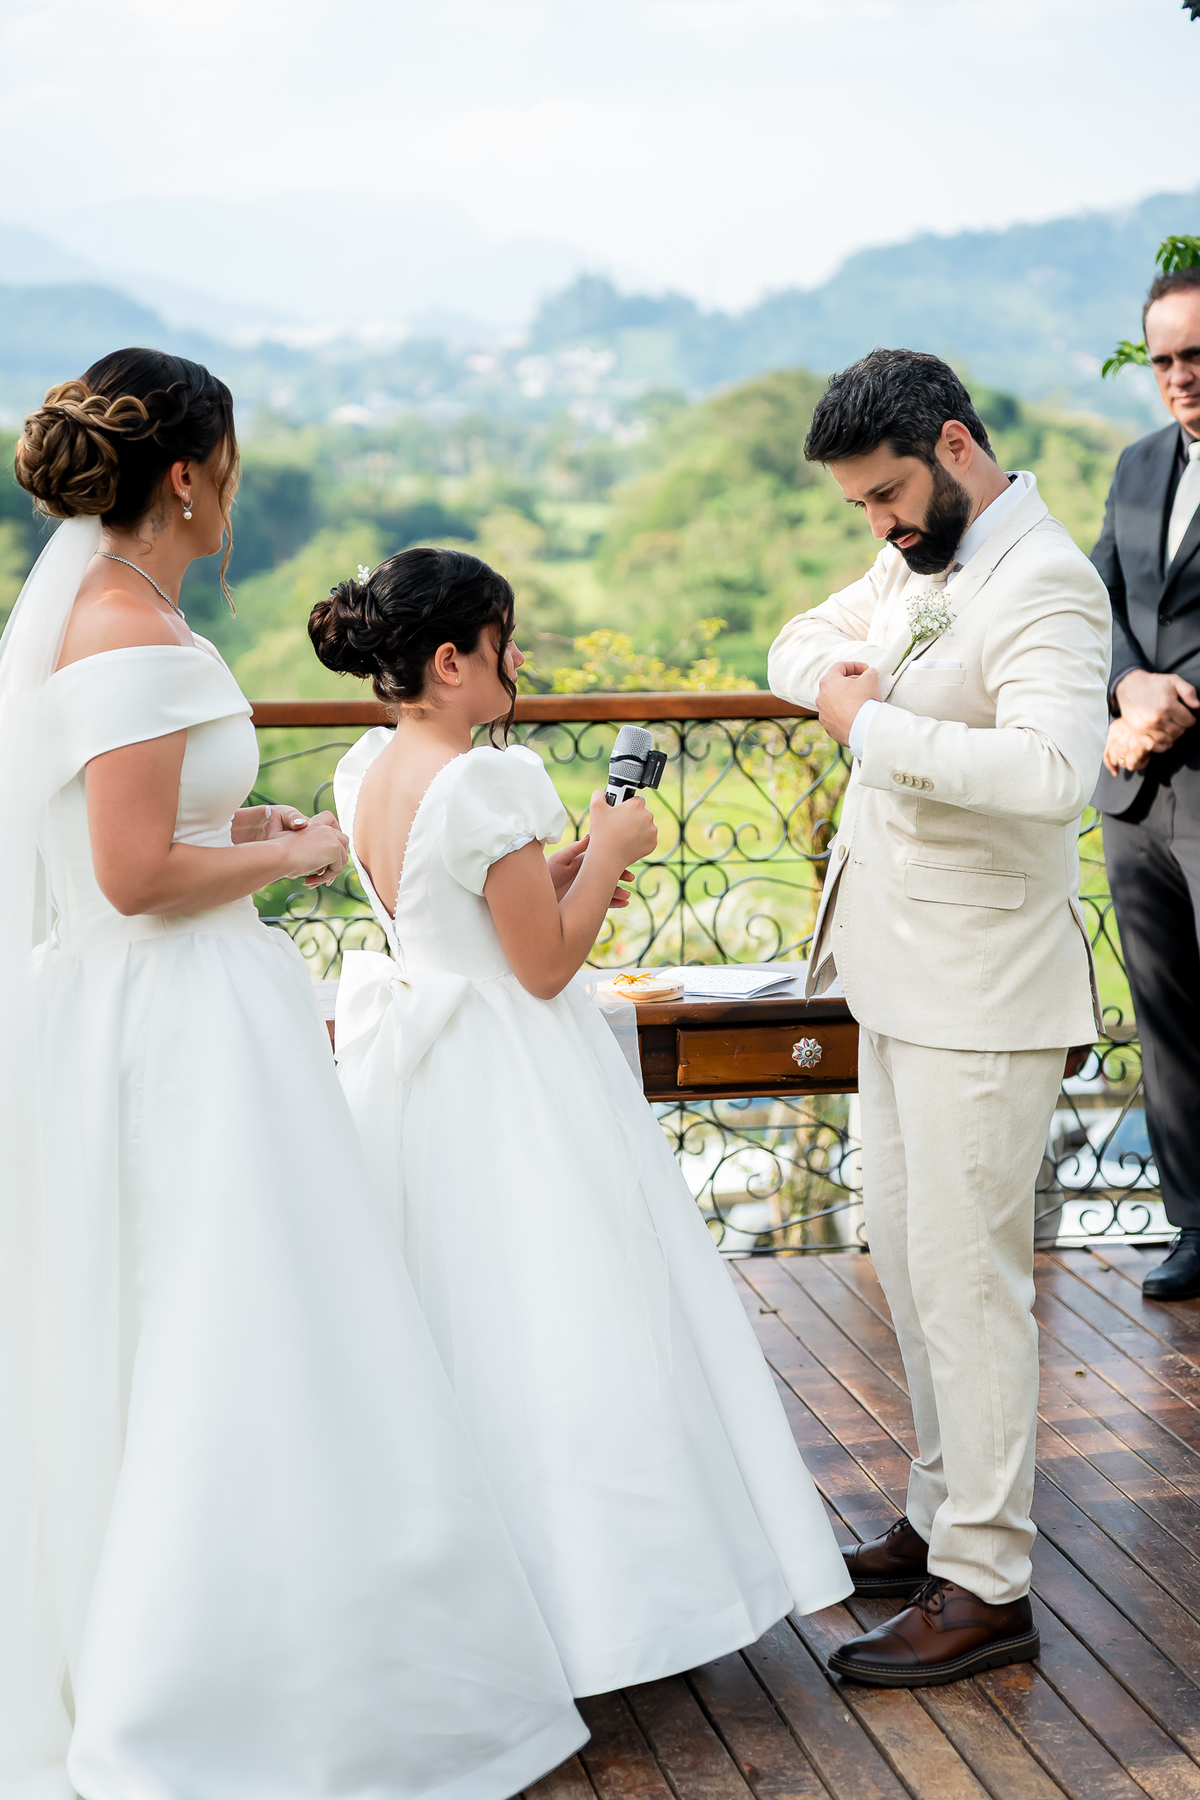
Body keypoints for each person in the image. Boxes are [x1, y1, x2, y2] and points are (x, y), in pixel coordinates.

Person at [3, 350, 588, 1799]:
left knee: (206, 1321)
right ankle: (205, 1688)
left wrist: (243, 825)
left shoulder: (117, 614)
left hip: (169, 1007)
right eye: (230, 464)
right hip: (177, 1025)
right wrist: (297, 851)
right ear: (187, 475)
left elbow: (143, 829)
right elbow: (131, 875)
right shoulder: (127, 630)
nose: (234, 490)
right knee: (223, 1323)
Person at [309, 547, 854, 1698]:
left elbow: (453, 912)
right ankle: (601, 1611)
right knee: (564, 1323)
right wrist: (607, 852)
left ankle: (484, 1601)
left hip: (426, 1077)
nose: (518, 658)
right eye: (503, 640)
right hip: (515, 1075)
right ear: (451, 660)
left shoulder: (368, 770)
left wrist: (555, 867)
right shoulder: (486, 783)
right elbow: (548, 963)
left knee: (463, 1323)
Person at [768, 350, 1109, 1687]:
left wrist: (869, 726)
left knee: (971, 1285)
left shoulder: (1046, 581)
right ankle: (937, 1515)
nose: (877, 524)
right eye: (860, 505)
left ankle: (989, 1582)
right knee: (911, 1270)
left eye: (887, 494)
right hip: (897, 975)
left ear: (956, 446)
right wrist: (837, 683)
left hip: (984, 988)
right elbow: (799, 640)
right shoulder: (919, 556)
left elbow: (1053, 773)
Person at [1092, 265, 1200, 1302]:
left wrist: (1175, 702)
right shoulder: (1135, 465)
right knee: (1163, 1019)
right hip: (1134, 795)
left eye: (1196, 354)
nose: (1179, 376)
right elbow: (1101, 598)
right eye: (1164, 359)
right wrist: (1129, 690)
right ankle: (1195, 1227)